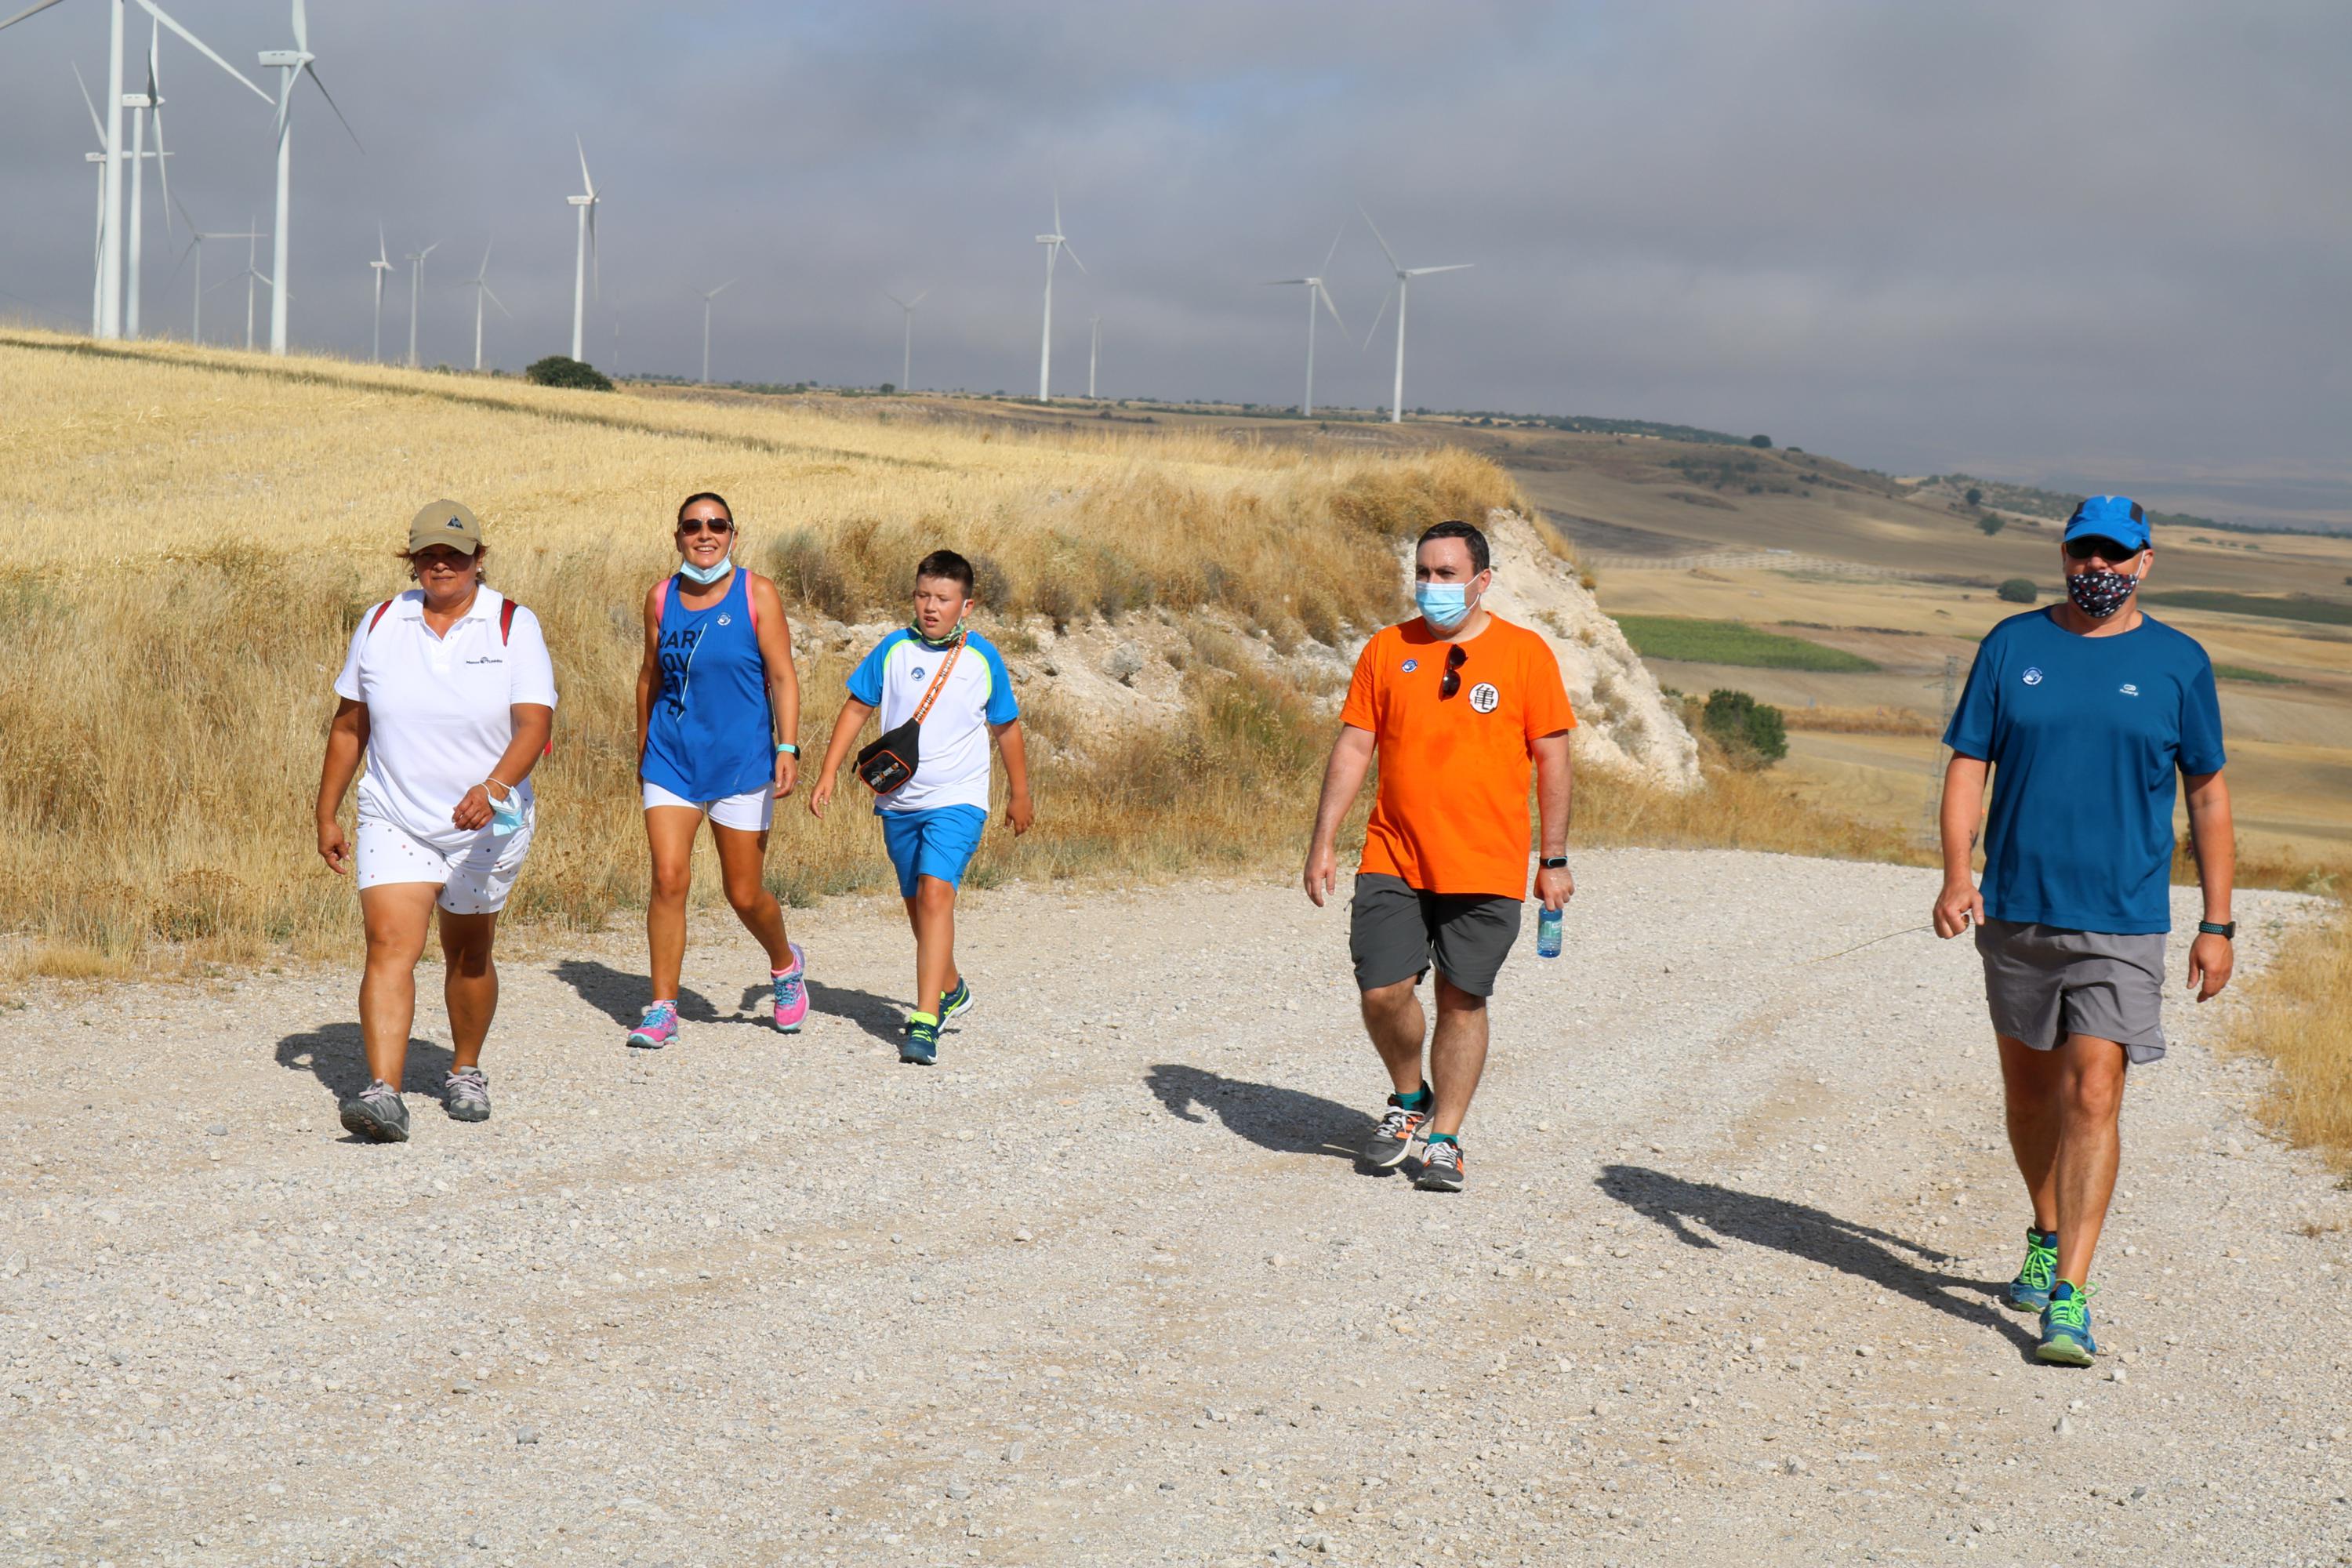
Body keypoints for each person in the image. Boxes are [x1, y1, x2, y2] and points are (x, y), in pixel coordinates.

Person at [1933, 495, 2234, 1367]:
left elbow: (2207, 793)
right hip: (2019, 911)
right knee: (2031, 1094)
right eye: (2084, 552)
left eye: (2117, 555)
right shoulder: (2012, 646)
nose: (2098, 568)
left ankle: (2070, 1292)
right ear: (2064, 554)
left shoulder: (2179, 663)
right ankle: (2044, 1227)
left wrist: (2217, 920)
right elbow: (1967, 765)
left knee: (2094, 1090)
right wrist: (1959, 873)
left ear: (2146, 563)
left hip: (2124, 918)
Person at [1302, 519, 1576, 1192]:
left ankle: (1446, 1139)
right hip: (1394, 853)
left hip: (1486, 862)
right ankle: (1409, 1099)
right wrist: (1323, 840)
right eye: (1423, 572)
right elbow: (1354, 748)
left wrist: (1554, 859)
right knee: (1382, 990)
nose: (1431, 586)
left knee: (1463, 1000)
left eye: (1447, 575)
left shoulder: (1526, 655)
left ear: (1482, 582)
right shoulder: (1386, 649)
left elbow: (1553, 759)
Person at [315, 501, 557, 1142]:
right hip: (395, 812)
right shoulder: (380, 623)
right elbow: (350, 724)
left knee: (469, 952)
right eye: (428, 554)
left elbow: (535, 723)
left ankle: (465, 1069)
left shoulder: (511, 624)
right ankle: (384, 1092)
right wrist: (326, 810)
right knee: (391, 944)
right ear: (413, 561)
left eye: (455, 554)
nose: (441, 564)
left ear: (479, 558)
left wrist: (495, 785)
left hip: (488, 820)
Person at [808, 549, 1033, 1065]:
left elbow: (1006, 727)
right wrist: (826, 773)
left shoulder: (983, 658)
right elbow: (857, 707)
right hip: (899, 801)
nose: (932, 607)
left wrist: (1020, 793)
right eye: (923, 595)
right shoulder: (893, 650)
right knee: (918, 906)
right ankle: (950, 987)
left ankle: (926, 1020)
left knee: (935, 896)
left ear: (967, 605)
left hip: (959, 801)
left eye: (944, 599)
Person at [627, 492, 808, 1049]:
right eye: (692, 526)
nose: (705, 535)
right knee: (668, 878)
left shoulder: (758, 593)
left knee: (744, 893)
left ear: (733, 533)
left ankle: (785, 966)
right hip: (672, 760)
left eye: (717, 525)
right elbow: (649, 678)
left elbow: (782, 677)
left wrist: (789, 747)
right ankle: (662, 1007)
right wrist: (643, 750)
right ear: (677, 535)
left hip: (741, 762)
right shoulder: (660, 597)